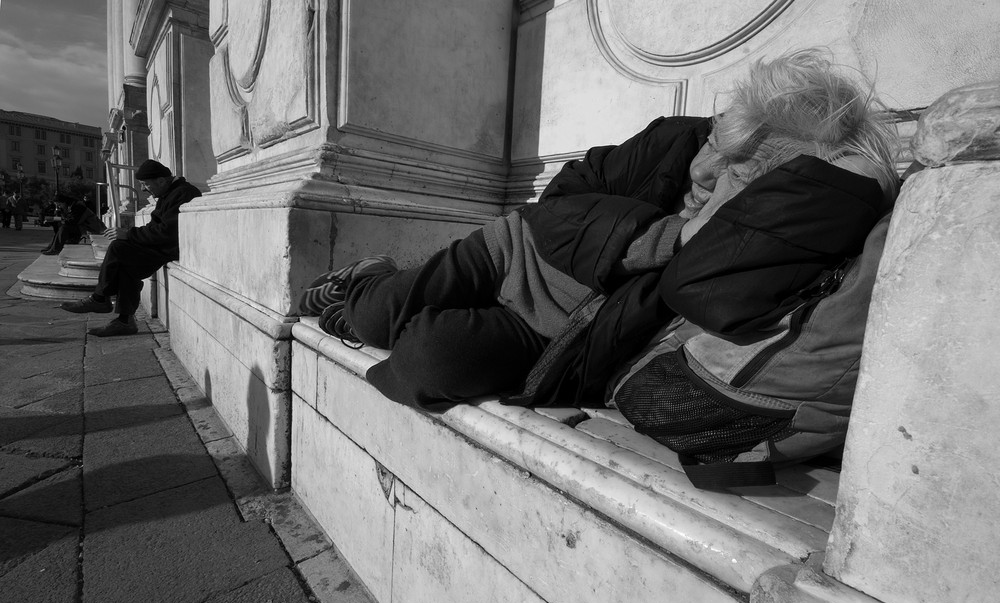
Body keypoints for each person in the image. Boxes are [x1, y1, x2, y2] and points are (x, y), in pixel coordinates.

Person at [299, 48, 899, 411]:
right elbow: (560, 200)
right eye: (716, 138)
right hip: (515, 252)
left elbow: (712, 291)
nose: (707, 167)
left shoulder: (765, 222)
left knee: (432, 360)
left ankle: (395, 303)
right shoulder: (673, 138)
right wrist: (663, 235)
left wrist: (733, 211)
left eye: (737, 171)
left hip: (553, 330)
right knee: (378, 314)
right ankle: (373, 280)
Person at [59, 159, 202, 337]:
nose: (143, 189)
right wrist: (130, 234)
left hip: (169, 248)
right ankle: (124, 321)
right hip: (161, 245)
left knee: (119, 248)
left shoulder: (183, 193)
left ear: (161, 181)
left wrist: (128, 234)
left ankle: (100, 299)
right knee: (125, 264)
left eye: (145, 184)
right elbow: (156, 228)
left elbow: (167, 233)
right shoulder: (169, 193)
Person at [41, 193, 106, 255]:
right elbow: (68, 220)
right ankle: (52, 246)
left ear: (64, 202)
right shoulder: (70, 207)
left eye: (59, 205)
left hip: (92, 228)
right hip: (83, 226)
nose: (59, 207)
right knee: (59, 226)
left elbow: (73, 221)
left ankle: (56, 249)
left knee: (64, 228)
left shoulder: (78, 207)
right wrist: (57, 218)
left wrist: (60, 219)